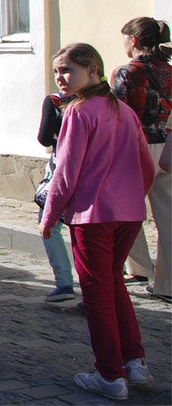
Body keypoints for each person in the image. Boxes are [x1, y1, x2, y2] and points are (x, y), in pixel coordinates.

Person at [40, 43, 156, 401]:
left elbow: (66, 171)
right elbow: (147, 167)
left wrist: (50, 215)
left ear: (92, 70)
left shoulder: (79, 112)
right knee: (114, 284)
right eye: (57, 71)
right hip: (128, 214)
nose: (60, 77)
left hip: (93, 217)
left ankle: (109, 374)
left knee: (97, 294)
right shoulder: (124, 111)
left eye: (67, 70)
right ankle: (134, 361)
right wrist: (131, 198)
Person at [111, 17, 171, 302]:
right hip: (168, 146)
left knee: (127, 210)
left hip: (137, 147)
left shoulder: (126, 72)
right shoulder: (169, 71)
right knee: (169, 219)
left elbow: (116, 116)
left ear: (133, 40)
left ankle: (139, 269)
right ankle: (167, 286)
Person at [36, 93, 77, 303]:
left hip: (61, 169)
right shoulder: (105, 100)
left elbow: (44, 138)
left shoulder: (55, 101)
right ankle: (93, 286)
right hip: (95, 174)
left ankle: (64, 282)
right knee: (84, 231)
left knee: (50, 226)